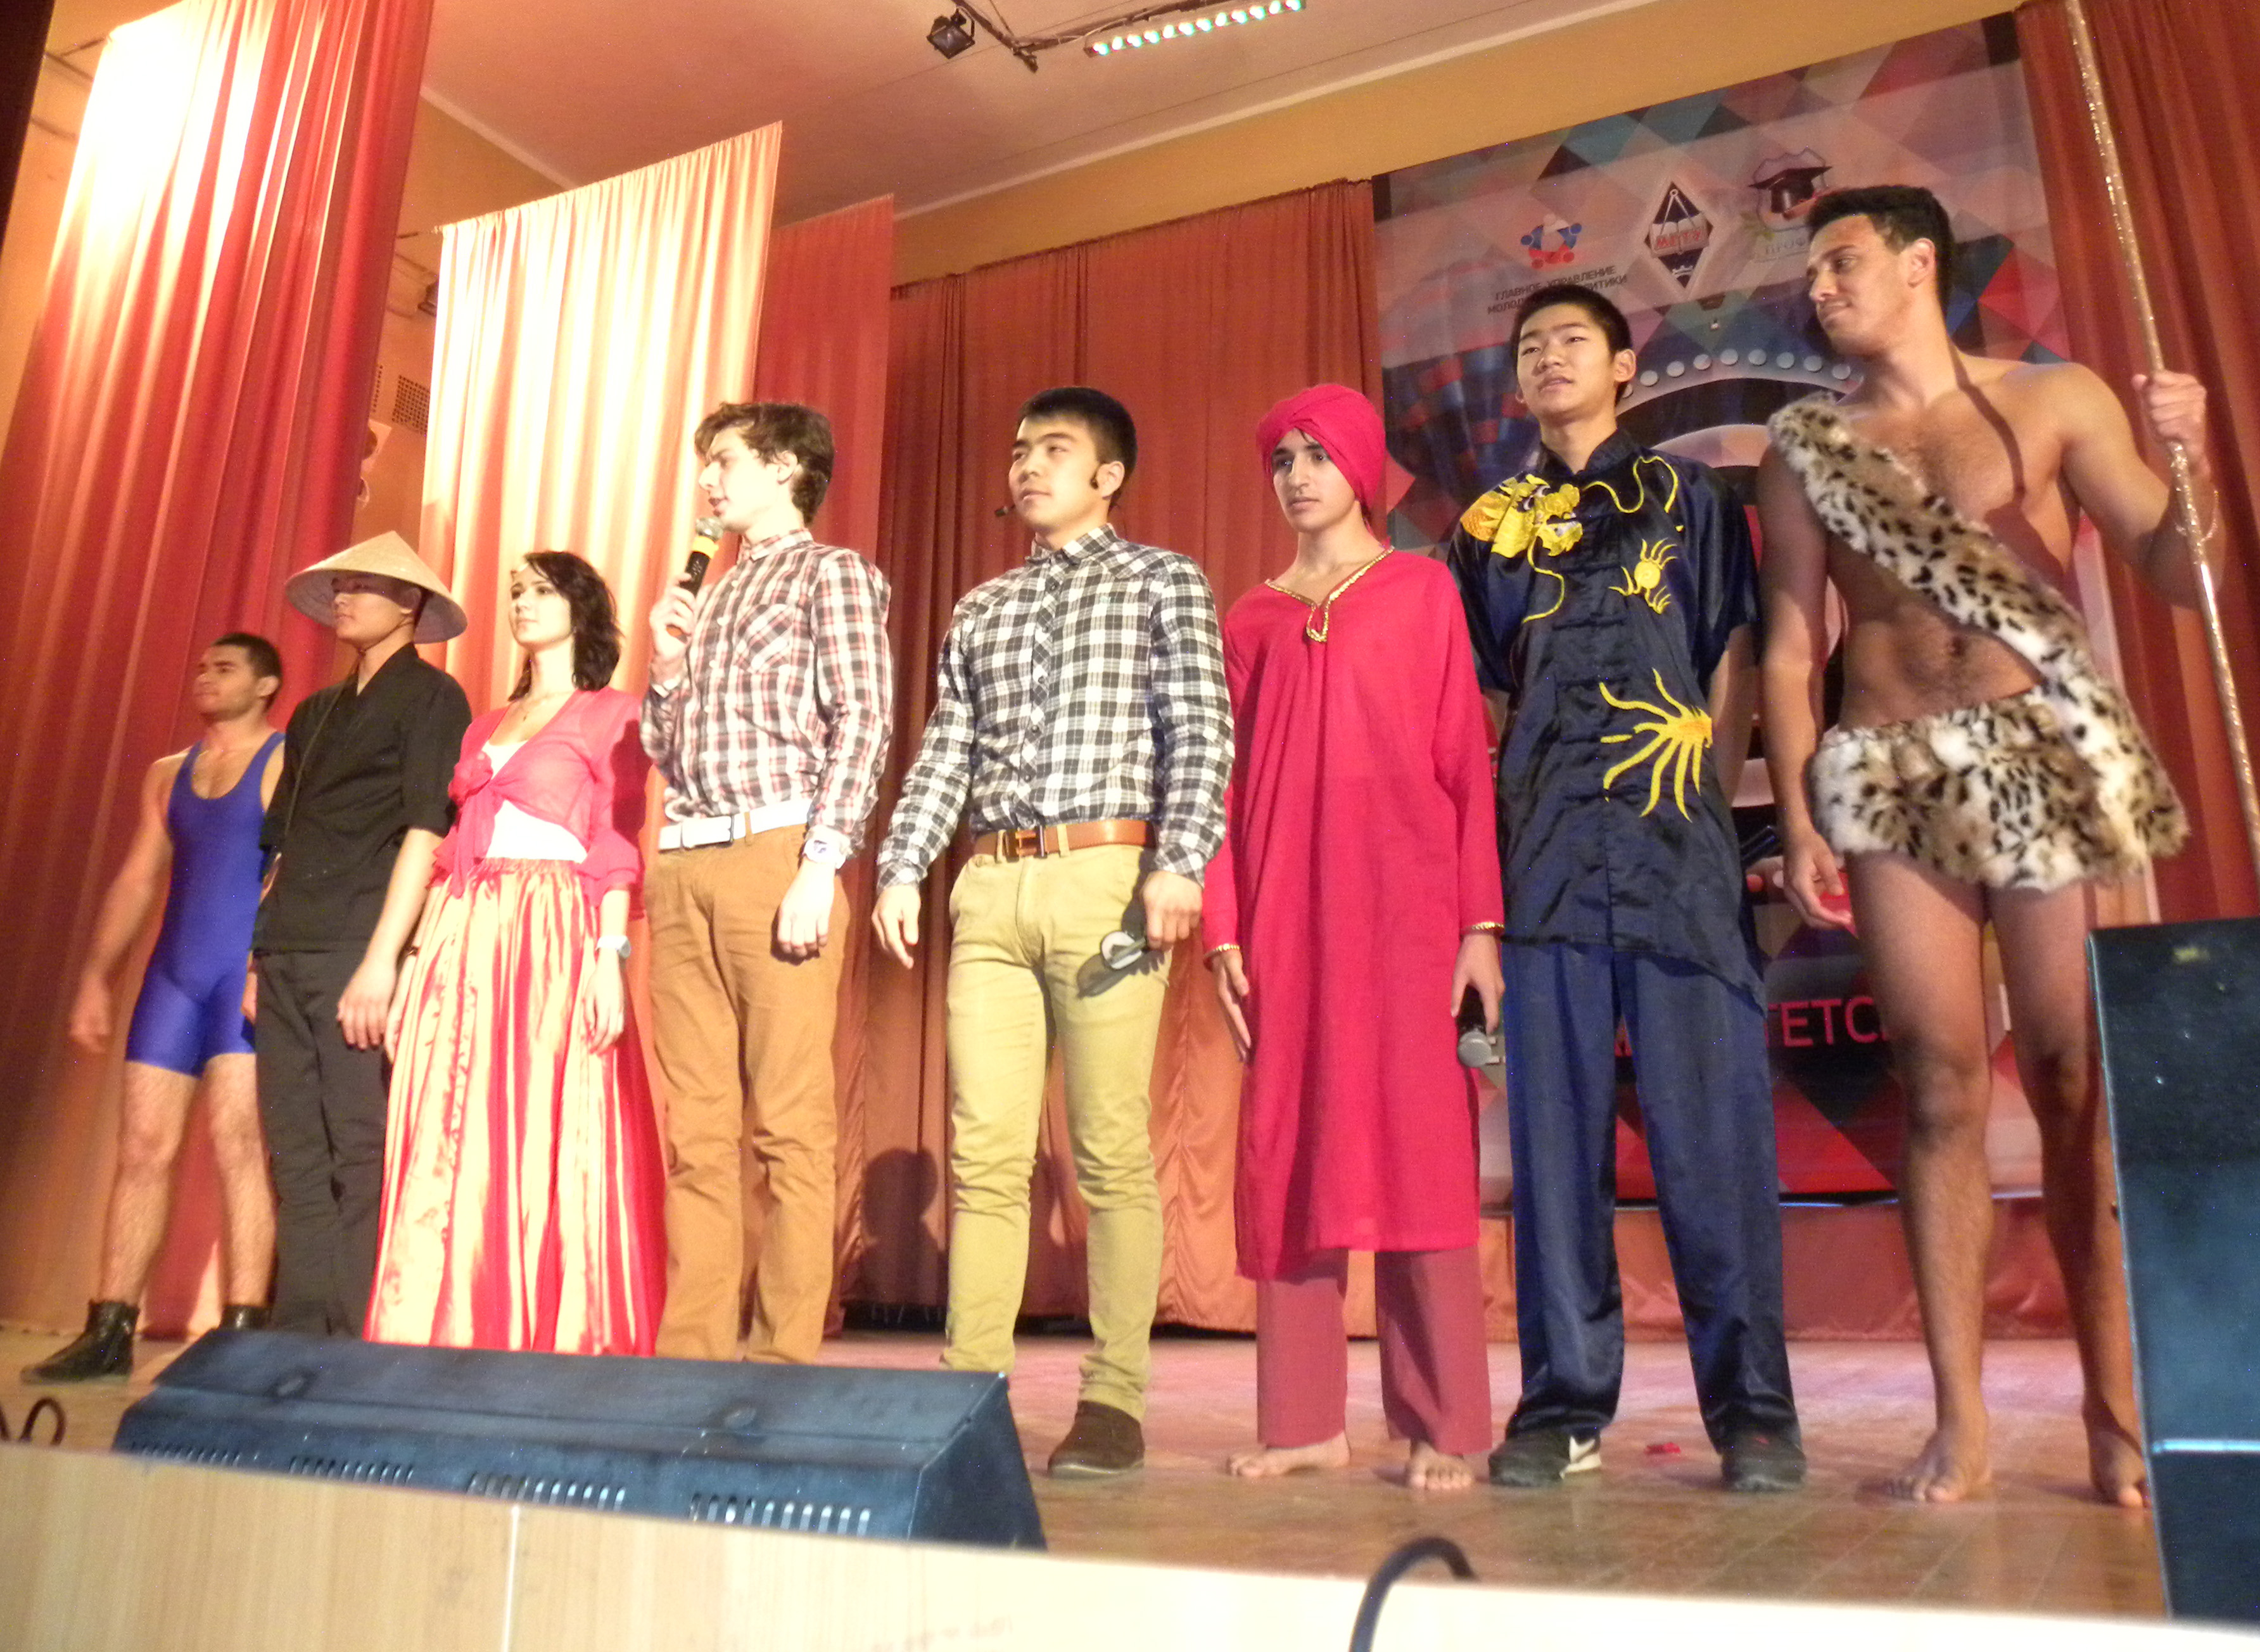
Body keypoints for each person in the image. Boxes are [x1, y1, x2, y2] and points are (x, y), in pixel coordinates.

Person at [1757, 186, 2203, 1506]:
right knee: (1940, 1082)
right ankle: (1958, 1424)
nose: (1819, 287)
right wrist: (1798, 809)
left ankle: (2114, 1411)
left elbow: (2176, 573)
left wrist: (2188, 464)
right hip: (1889, 764)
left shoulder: (2052, 401)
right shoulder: (1805, 447)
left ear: (1916, 264)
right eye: (1812, 268)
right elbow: (1789, 644)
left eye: (1840, 261)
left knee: (2070, 1075)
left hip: (2038, 749)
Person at [1445, 282, 1803, 1493]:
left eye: (1570, 341)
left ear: (1620, 364)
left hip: (1674, 855)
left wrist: (1707, 808)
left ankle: (1752, 1412)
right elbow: (1478, 695)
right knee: (1553, 1152)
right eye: (1527, 345)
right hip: (1541, 860)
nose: (1547, 358)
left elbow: (1731, 651)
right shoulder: (1487, 525)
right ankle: (1560, 1405)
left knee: (1712, 1143)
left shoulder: (1689, 497)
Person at [873, 386, 1232, 1477]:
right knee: (985, 1150)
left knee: (1109, 1147)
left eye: (1055, 450)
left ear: (1108, 475)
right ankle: (968, 1393)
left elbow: (1199, 730)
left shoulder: (1162, 580)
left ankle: (1114, 1398)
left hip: (1105, 876)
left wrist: (1179, 861)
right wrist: (901, 865)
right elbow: (948, 747)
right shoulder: (983, 605)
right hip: (992, 885)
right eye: (1020, 449)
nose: (1027, 466)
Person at [1205, 384, 1503, 1491]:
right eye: (1282, 458)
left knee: (1422, 1154)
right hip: (1285, 915)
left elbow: (1462, 763)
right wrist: (1225, 931)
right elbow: (1224, 788)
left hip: (1408, 914)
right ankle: (1302, 1421)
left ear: (1362, 468)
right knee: (1289, 1151)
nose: (1297, 475)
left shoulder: (1421, 591)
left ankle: (1444, 1421)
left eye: (1318, 455)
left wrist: (1479, 925)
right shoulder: (1250, 617)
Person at [642, 402, 893, 1364]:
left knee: (788, 1124)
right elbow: (665, 748)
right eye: (705, 464)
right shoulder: (704, 596)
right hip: (686, 859)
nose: (708, 480)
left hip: (777, 851)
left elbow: (863, 721)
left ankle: (784, 1357)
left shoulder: (833, 574)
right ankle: (692, 1355)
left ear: (786, 466)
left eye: (725, 461)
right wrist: (668, 667)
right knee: (698, 1132)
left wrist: (820, 865)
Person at [365, 552, 664, 1354]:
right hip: (464, 929)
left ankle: (551, 1329)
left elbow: (614, 840)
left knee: (544, 1117)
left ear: (581, 608)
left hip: (552, 926)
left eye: (542, 591)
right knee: (453, 1118)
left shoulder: (612, 713)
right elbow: (451, 850)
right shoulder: (484, 725)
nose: (524, 604)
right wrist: (413, 959)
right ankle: (446, 1322)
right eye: (517, 593)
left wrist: (610, 954)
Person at [24, 637, 287, 1382]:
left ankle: (242, 1332)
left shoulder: (282, 759)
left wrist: (262, 960)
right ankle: (109, 1329)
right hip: (173, 980)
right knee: (141, 1148)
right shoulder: (167, 772)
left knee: (240, 1143)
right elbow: (140, 877)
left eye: (225, 668)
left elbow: (289, 863)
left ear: (266, 685)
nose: (205, 677)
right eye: (200, 666)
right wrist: (95, 977)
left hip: (239, 975)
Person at [253, 532, 473, 1337]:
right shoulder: (314, 712)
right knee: (293, 1146)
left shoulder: (433, 698)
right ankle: (298, 1327)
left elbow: (427, 827)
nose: (343, 597)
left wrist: (386, 961)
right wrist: (257, 956)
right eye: (339, 585)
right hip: (289, 944)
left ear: (409, 603)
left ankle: (348, 1332)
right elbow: (283, 843)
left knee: (358, 1141)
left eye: (362, 586)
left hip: (357, 943)